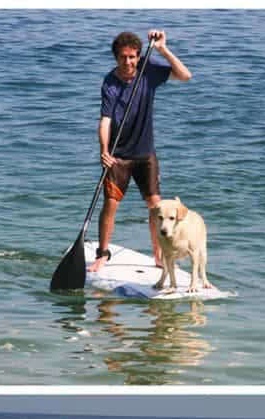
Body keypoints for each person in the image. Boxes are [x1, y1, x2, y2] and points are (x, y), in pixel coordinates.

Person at [87, 29, 192, 274]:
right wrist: (104, 151)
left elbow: (185, 76)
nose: (129, 62)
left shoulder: (149, 71)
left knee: (156, 207)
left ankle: (158, 255)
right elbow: (105, 121)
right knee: (110, 204)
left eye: (133, 57)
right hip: (119, 156)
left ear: (138, 55)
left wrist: (162, 49)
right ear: (116, 58)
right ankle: (102, 255)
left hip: (145, 155)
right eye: (123, 57)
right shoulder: (110, 82)